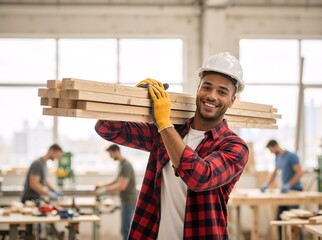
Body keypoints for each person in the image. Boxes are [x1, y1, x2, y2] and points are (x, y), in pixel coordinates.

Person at [95, 52, 249, 239]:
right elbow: (107, 129)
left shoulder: (234, 147)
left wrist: (164, 123)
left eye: (222, 92)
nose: (212, 96)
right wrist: (133, 100)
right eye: (206, 87)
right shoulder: (167, 133)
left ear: (232, 100)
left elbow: (199, 178)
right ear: (198, 89)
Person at [260, 139, 303, 240]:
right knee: (279, 220)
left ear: (276, 146)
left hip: (294, 191)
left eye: (271, 150)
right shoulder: (278, 157)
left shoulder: (291, 156)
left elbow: (300, 173)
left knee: (295, 221)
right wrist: (267, 183)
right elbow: (274, 172)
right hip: (285, 193)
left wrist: (288, 184)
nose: (271, 153)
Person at [21, 143, 64, 239]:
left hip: (36, 199)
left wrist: (54, 190)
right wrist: (49, 193)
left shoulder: (44, 164)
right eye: (57, 155)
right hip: (29, 200)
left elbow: (44, 180)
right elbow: (34, 184)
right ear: (51, 151)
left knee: (38, 228)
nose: (57, 158)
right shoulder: (37, 163)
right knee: (30, 231)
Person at [95, 144, 137, 240]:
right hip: (124, 200)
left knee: (125, 229)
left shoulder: (126, 165)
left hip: (128, 200)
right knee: (124, 229)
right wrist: (102, 185)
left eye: (111, 154)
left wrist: (105, 190)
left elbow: (122, 186)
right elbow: (116, 180)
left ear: (116, 151)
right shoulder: (121, 164)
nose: (110, 157)